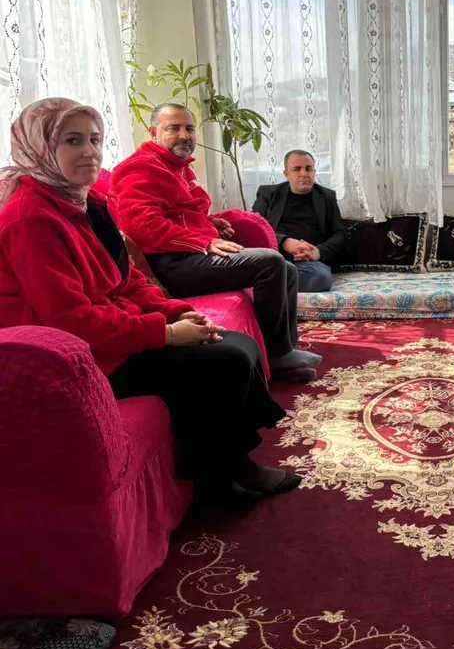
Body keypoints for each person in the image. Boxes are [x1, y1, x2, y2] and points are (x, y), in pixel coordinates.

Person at [0, 98, 301, 508]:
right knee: (223, 360)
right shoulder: (30, 219)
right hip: (73, 358)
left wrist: (176, 311)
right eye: (72, 141)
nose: (89, 151)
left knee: (238, 343)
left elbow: (126, 279)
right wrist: (166, 334)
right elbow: (71, 320)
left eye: (94, 139)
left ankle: (234, 462)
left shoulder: (85, 202)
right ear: (39, 148)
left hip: (108, 331)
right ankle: (215, 481)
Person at [110, 103, 320, 382]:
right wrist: (203, 241)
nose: (184, 135)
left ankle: (283, 352)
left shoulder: (177, 166)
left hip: (188, 256)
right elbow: (142, 226)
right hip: (169, 264)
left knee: (287, 269)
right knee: (270, 262)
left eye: (189, 128)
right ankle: (278, 354)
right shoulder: (140, 168)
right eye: (173, 128)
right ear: (153, 132)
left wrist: (210, 223)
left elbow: (180, 213)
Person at [252, 149, 346, 293]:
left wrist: (318, 252)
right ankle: (271, 279)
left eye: (308, 169)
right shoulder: (268, 194)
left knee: (321, 278)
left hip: (307, 263)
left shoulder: (327, 196)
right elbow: (255, 228)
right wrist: (284, 242)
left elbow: (340, 234)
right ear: (286, 174)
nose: (304, 174)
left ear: (314, 172)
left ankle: (265, 282)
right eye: (297, 169)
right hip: (275, 257)